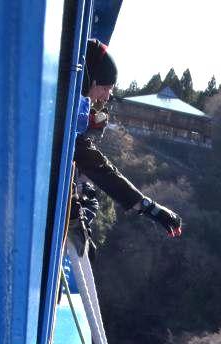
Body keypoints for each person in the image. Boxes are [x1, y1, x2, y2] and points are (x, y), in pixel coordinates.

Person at [72, 39, 182, 248]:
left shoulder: (73, 105)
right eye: (104, 88)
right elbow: (97, 166)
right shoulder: (69, 113)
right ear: (89, 81)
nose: (105, 97)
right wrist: (147, 206)